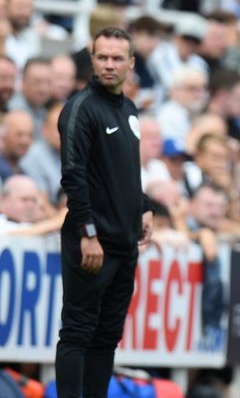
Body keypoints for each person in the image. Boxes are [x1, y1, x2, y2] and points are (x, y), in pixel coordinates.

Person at [55, 27, 154, 398]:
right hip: (93, 241)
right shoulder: (81, 109)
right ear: (92, 59)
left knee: (107, 335)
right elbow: (73, 175)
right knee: (78, 331)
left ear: (130, 63)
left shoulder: (128, 108)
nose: (109, 65)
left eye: (117, 58)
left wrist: (144, 207)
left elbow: (127, 170)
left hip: (125, 242)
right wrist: (88, 232)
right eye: (102, 57)